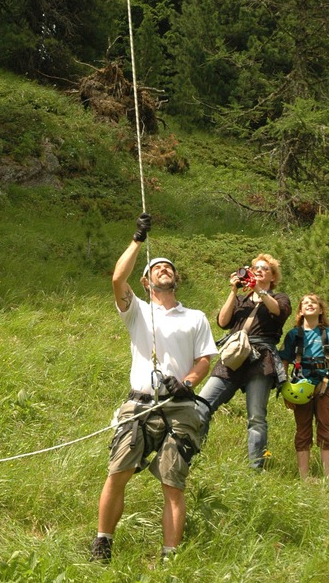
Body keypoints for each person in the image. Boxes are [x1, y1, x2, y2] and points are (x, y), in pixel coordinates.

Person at [91, 213, 217, 564]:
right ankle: (103, 543)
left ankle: (170, 556)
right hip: (139, 403)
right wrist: (138, 240)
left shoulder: (196, 317)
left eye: (168, 267)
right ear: (145, 281)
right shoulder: (137, 311)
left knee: (173, 483)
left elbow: (206, 359)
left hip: (180, 407)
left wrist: (188, 383)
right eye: (156, 268)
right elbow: (117, 277)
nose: (164, 269)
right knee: (118, 472)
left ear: (176, 278)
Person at [197, 254, 291, 469]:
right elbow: (223, 321)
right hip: (234, 356)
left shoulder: (281, 298)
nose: (258, 270)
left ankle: (255, 469)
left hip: (261, 358)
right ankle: (194, 456)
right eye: (255, 267)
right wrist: (234, 291)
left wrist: (258, 289)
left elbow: (277, 311)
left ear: (273, 276)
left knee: (256, 417)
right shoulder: (242, 299)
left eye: (264, 268)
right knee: (200, 405)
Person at [279, 292, 329, 481]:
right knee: (302, 431)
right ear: (300, 311)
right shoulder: (294, 335)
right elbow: (284, 363)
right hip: (300, 389)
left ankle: (328, 479)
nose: (309, 305)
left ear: (321, 309)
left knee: (325, 429)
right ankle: (304, 478)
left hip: (325, 387)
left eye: (313, 303)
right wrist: (286, 391)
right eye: (305, 303)